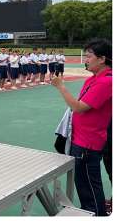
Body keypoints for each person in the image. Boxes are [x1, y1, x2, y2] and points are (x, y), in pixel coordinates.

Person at [51, 39, 112, 216]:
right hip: (80, 139)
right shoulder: (93, 79)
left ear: (102, 59)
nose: (85, 60)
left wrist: (61, 87)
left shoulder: (106, 82)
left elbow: (78, 107)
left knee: (89, 186)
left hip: (88, 143)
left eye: (88, 56)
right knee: (83, 185)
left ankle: (98, 214)